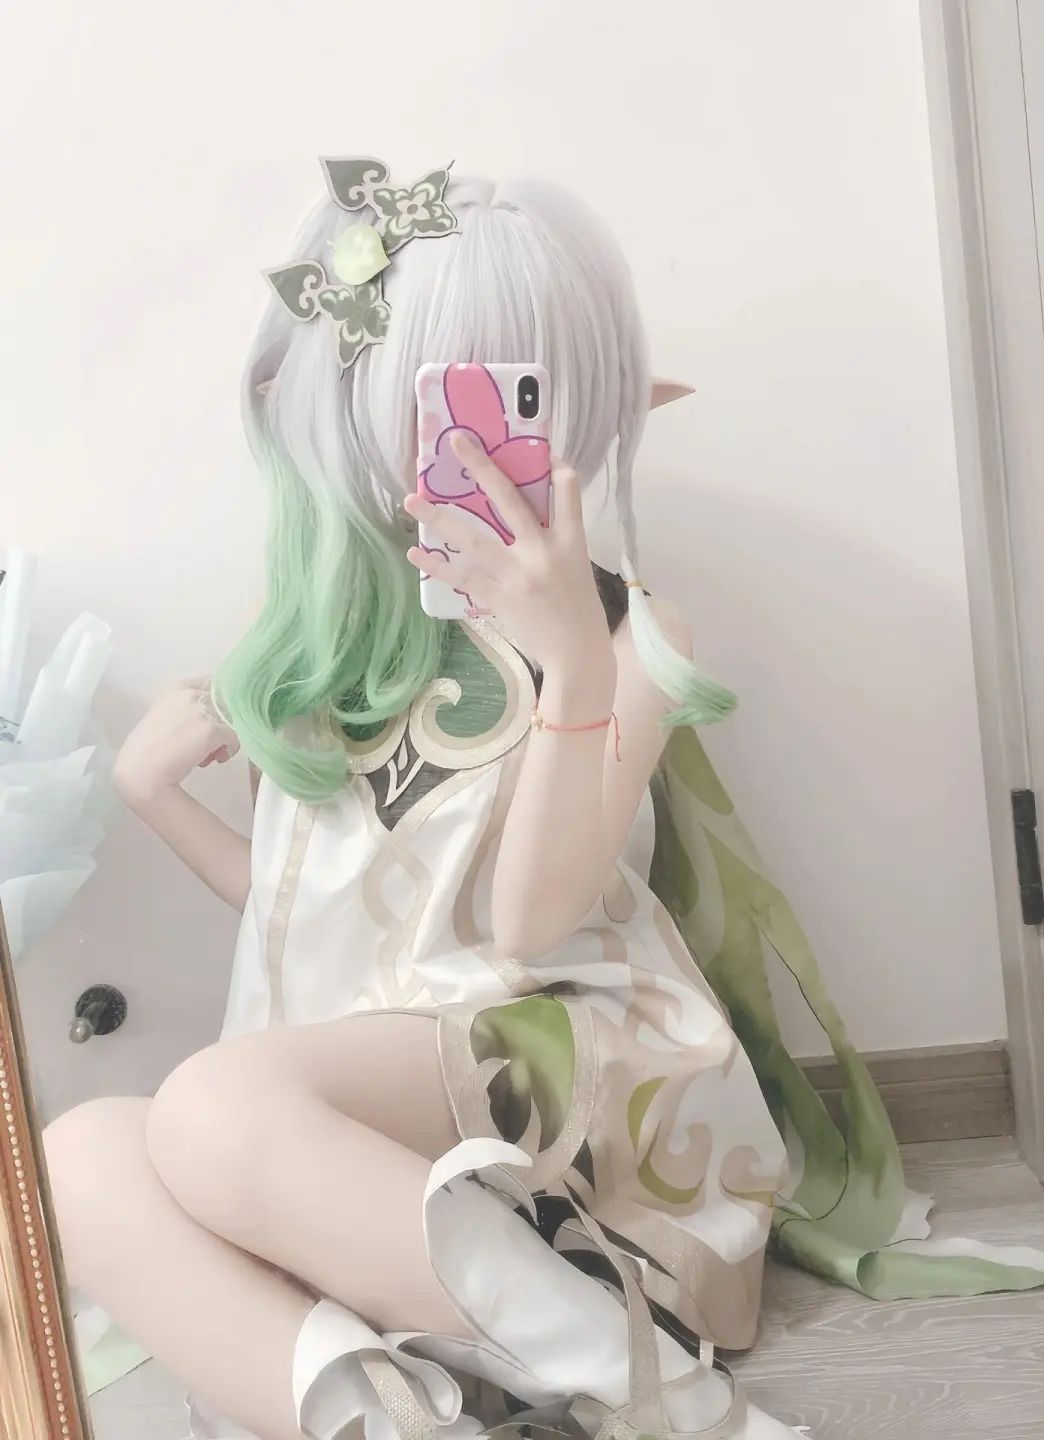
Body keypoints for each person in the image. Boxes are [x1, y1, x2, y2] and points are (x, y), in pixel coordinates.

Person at [44, 161, 804, 1439]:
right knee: (76, 1159)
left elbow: (527, 923)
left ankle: (653, 1390)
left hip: (561, 1067)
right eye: (433, 398)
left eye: (508, 395)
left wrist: (571, 662)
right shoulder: (332, 648)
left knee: (214, 1106)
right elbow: (314, 914)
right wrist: (149, 795)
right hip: (378, 1074)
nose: (467, 440)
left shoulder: (631, 631)